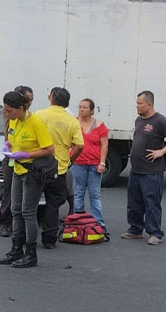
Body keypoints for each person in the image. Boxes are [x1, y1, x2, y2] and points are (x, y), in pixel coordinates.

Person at [0, 90, 54, 268]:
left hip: (32, 171)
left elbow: (49, 148)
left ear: (21, 108)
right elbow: (13, 138)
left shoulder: (36, 122)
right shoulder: (14, 120)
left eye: (10, 111)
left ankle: (31, 254)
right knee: (15, 210)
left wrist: (27, 153)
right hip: (18, 168)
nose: (8, 114)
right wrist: (9, 146)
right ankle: (16, 249)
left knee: (28, 212)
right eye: (6, 110)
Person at [122, 91, 166, 246]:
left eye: (140, 103)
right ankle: (135, 230)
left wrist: (161, 151)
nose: (137, 106)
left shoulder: (160, 120)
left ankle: (155, 233)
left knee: (151, 203)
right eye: (137, 103)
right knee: (134, 202)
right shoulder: (139, 120)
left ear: (149, 104)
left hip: (151, 172)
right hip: (136, 169)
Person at [32, 87, 84, 249]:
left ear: (51, 98)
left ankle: (28, 237)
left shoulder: (39, 115)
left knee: (30, 205)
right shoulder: (72, 121)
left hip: (37, 166)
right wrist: (70, 160)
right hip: (59, 168)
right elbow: (79, 146)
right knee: (53, 205)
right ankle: (49, 239)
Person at [0, 86, 33, 237]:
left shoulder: (30, 117)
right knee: (9, 190)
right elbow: (9, 134)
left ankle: (19, 224)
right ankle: (5, 222)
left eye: (31, 100)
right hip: (11, 157)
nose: (30, 103)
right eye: (28, 100)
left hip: (24, 159)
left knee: (23, 194)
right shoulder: (10, 115)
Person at [70, 98, 110, 233]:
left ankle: (99, 224)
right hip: (78, 163)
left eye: (85, 107)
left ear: (92, 110)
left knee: (95, 194)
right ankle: (78, 222)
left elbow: (104, 145)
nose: (81, 109)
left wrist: (102, 163)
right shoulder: (74, 123)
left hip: (94, 164)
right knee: (78, 192)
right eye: (80, 107)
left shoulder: (99, 125)